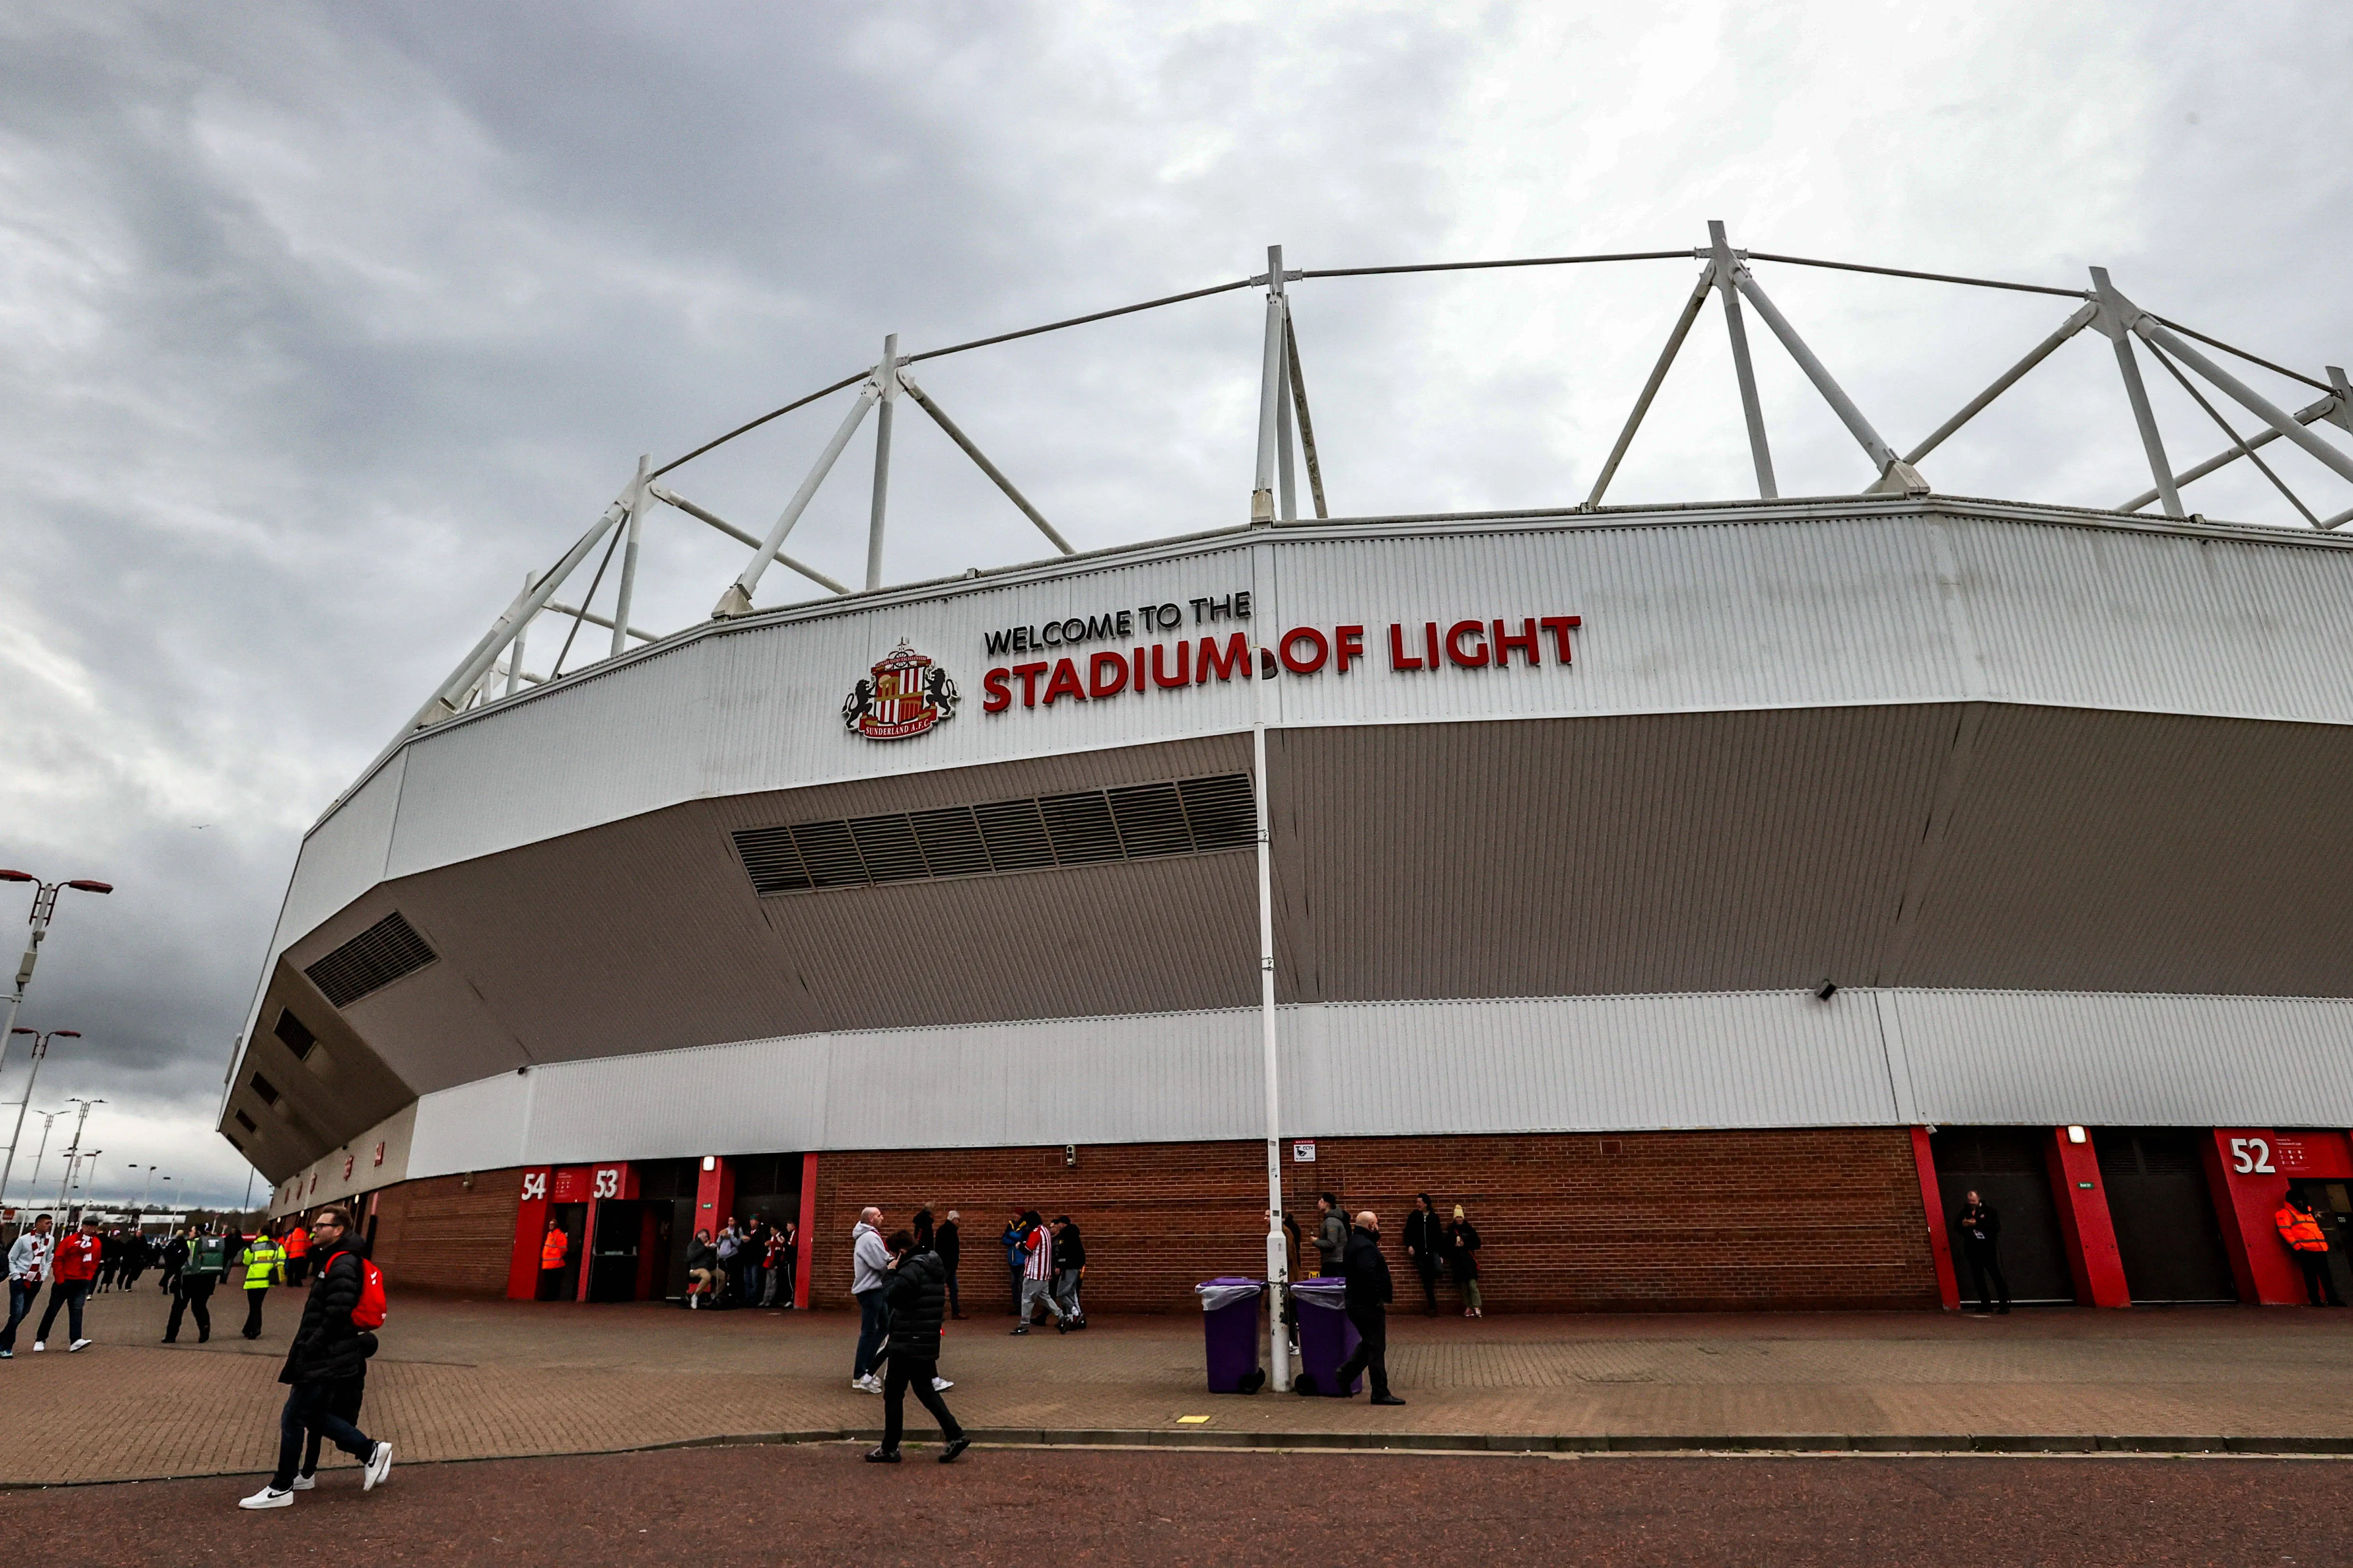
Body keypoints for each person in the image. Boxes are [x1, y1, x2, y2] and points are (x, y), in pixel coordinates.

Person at [239, 1206, 394, 1509]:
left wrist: (312, 1344)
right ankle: (369, 1451)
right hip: (326, 1352)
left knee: (293, 1416)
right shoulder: (335, 1259)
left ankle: (282, 1487)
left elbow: (338, 1312)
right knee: (311, 1415)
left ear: (338, 1230)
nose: (315, 1230)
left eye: (322, 1226)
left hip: (325, 1354)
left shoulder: (343, 1262)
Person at [864, 1229, 969, 1465]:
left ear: (901, 1252)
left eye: (894, 1254)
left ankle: (890, 1447)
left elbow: (892, 1296)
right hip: (925, 1337)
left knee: (894, 1393)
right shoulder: (933, 1263)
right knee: (925, 1390)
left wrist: (890, 1273)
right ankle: (955, 1434)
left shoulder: (910, 1269)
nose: (893, 1258)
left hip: (906, 1339)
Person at [1332, 1210, 1404, 1405]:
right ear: (1371, 1225)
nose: (1378, 1228)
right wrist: (1376, 1298)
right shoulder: (1366, 1247)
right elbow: (1368, 1274)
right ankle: (1379, 1391)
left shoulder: (1354, 1243)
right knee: (1376, 1347)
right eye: (1377, 1224)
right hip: (1367, 1304)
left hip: (1356, 1302)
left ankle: (1345, 1374)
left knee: (1370, 1343)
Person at [31, 1214, 102, 1351]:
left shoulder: (96, 1243)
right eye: (87, 1226)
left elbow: (95, 1261)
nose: (89, 1228)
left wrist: (89, 1277)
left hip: (81, 1282)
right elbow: (58, 1259)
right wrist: (60, 1278)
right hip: (65, 1281)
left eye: (92, 1226)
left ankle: (76, 1340)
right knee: (53, 1310)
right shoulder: (70, 1240)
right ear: (83, 1226)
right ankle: (41, 1339)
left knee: (77, 1310)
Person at [2277, 1189, 2344, 1307]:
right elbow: (2285, 1231)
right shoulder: (2285, 1213)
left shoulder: (2308, 1212)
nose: (2301, 1202)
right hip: (2305, 1250)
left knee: (2326, 1277)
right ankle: (2316, 1300)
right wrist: (2298, 1247)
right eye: (2298, 1200)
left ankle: (2332, 1299)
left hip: (2319, 1248)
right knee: (2311, 1277)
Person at [1, 1213, 54, 1358]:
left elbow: (49, 1258)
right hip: (20, 1279)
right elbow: (11, 1258)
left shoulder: (50, 1240)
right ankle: (7, 1347)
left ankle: (2, 1339)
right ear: (38, 1224)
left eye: (51, 1223)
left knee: (24, 1312)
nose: (50, 1225)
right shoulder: (23, 1240)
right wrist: (16, 1275)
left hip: (36, 1281)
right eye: (47, 1223)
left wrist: (44, 1275)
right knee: (16, 1313)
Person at [850, 1206, 891, 1392]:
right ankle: (860, 1374)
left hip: (874, 1289)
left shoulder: (867, 1236)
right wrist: (893, 1263)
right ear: (871, 1219)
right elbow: (881, 1263)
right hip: (871, 1290)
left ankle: (867, 1369)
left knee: (883, 1327)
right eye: (879, 1215)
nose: (882, 1218)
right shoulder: (870, 1238)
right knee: (869, 1331)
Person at [167, 1223, 229, 1344]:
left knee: (178, 1308)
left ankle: (171, 1335)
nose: (190, 1233)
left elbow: (179, 1261)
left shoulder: (190, 1244)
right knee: (199, 1307)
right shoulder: (216, 1244)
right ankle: (204, 1328)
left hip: (189, 1279)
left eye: (192, 1231)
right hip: (208, 1280)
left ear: (198, 1233)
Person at [1954, 1190, 2011, 1315]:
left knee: (1995, 1275)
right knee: (1978, 1278)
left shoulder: (1990, 1211)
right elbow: (1957, 1227)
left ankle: (2004, 1303)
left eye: (1974, 1201)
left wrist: (1978, 1223)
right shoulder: (1964, 1212)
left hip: (1987, 1249)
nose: (1971, 1203)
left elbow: (1996, 1227)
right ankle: (1986, 1304)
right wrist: (1964, 1225)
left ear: (1979, 1199)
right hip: (1972, 1250)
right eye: (1970, 1201)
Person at [1012, 1210, 1065, 1335]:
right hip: (1044, 1272)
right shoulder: (1045, 1231)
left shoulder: (1036, 1232)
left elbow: (1028, 1250)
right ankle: (1062, 1317)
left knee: (1027, 1299)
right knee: (1045, 1297)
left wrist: (1020, 1246)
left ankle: (1024, 1325)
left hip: (1034, 1272)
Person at [238, 1226, 285, 1339]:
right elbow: (281, 1260)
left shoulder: (253, 1246)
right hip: (267, 1280)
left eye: (258, 1231)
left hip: (254, 1280)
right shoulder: (277, 1246)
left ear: (262, 1233)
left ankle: (255, 1329)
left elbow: (246, 1261)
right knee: (257, 1304)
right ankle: (248, 1328)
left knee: (254, 1306)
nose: (257, 1232)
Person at [1403, 1193, 1444, 1316]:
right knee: (1426, 1278)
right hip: (1420, 1253)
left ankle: (1432, 1306)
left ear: (1426, 1203)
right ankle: (1433, 1306)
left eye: (1419, 1202)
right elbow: (1408, 1232)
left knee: (1431, 1278)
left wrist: (1441, 1253)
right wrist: (1409, 1245)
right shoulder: (1414, 1216)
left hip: (1432, 1253)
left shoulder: (1434, 1217)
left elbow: (1439, 1236)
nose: (1418, 1204)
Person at [1444, 1204, 1482, 1318]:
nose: (1459, 1219)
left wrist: (1464, 1245)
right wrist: (1455, 1247)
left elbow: (1477, 1244)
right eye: (1457, 1217)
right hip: (1458, 1261)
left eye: (1460, 1217)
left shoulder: (1469, 1230)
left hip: (1468, 1261)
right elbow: (1447, 1246)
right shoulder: (1451, 1231)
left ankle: (1476, 1306)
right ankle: (1469, 1307)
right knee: (1464, 1287)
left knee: (1472, 1285)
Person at [1050, 1216, 1087, 1329]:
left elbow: (1063, 1252)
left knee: (1061, 1294)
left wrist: (1060, 1265)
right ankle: (1073, 1320)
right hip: (1075, 1267)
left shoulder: (1065, 1236)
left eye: (1058, 1224)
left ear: (1063, 1224)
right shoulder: (1074, 1235)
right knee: (1071, 1294)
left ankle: (1076, 1314)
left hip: (1069, 1268)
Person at [739, 1213, 772, 1309]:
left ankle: (754, 1299)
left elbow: (761, 1245)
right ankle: (747, 1298)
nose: (751, 1222)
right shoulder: (748, 1231)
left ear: (757, 1222)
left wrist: (751, 1240)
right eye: (751, 1221)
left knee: (754, 1281)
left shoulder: (761, 1233)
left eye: (753, 1221)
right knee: (747, 1281)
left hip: (755, 1260)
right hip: (747, 1260)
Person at [683, 1228, 721, 1307]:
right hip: (696, 1268)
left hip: (709, 1268)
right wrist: (704, 1248)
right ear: (699, 1237)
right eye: (705, 1237)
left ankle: (713, 1295)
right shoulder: (694, 1245)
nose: (707, 1239)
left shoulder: (708, 1246)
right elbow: (691, 1257)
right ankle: (696, 1296)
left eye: (707, 1237)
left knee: (723, 1276)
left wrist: (713, 1249)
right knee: (707, 1277)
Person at [937, 1209, 964, 1319]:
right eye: (958, 1219)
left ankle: (952, 1312)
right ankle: (954, 1312)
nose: (959, 1222)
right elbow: (951, 1249)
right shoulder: (950, 1231)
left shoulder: (943, 1230)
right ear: (954, 1219)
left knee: (949, 1289)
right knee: (951, 1289)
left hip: (947, 1264)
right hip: (948, 1265)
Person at [1314, 1193, 1347, 1279]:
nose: (1319, 1203)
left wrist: (1316, 1241)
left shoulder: (1331, 1221)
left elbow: (1332, 1243)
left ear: (1326, 1204)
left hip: (1334, 1264)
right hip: (1334, 1262)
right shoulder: (1331, 1220)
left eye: (1321, 1201)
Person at [537, 1218, 569, 1300]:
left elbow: (563, 1249)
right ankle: (549, 1296)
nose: (550, 1226)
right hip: (548, 1264)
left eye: (552, 1224)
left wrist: (558, 1257)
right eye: (550, 1224)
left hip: (555, 1264)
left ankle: (551, 1297)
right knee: (548, 1282)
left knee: (552, 1282)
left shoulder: (559, 1235)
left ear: (556, 1225)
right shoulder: (550, 1234)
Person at [1001, 1215, 1026, 1316]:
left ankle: (1024, 1308)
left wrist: (1011, 1234)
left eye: (1017, 1215)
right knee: (1014, 1284)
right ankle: (1017, 1307)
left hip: (1022, 1260)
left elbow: (1022, 1238)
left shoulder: (1025, 1227)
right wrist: (1016, 1239)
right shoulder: (1010, 1225)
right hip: (1012, 1260)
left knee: (1022, 1284)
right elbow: (1004, 1240)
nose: (1014, 1216)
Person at [161, 1228, 190, 1297]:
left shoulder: (182, 1243)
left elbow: (186, 1253)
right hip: (173, 1262)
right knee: (169, 1276)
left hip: (177, 1262)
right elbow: (166, 1252)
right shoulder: (174, 1242)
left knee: (173, 1276)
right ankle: (166, 1289)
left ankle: (170, 1288)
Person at [282, 1221, 311, 1288]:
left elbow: (287, 1245)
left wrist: (287, 1252)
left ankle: (290, 1283)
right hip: (301, 1255)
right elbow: (309, 1244)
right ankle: (298, 1283)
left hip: (292, 1256)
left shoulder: (292, 1235)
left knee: (291, 1271)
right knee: (299, 1270)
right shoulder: (305, 1234)